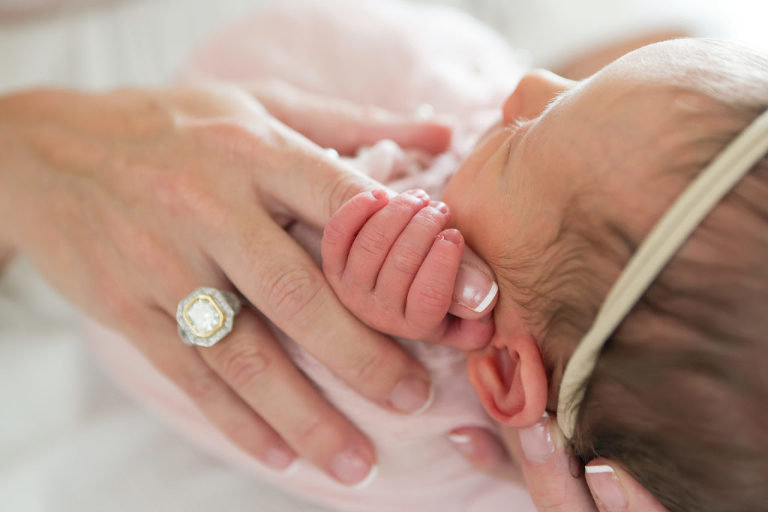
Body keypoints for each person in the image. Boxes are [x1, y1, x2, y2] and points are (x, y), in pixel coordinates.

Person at [325, 38, 768, 512]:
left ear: (507, 371)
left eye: (513, 146)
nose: (528, 83)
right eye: (578, 86)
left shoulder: (398, 388)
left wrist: (341, 265)